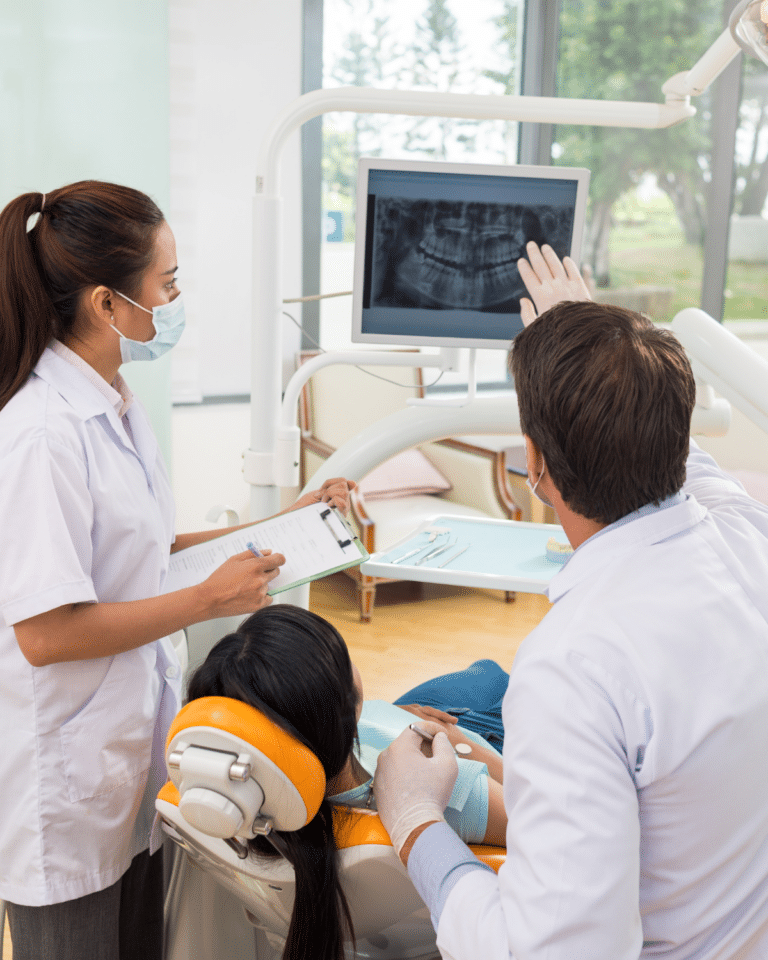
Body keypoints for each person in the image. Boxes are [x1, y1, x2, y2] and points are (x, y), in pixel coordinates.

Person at [374, 242, 768, 959]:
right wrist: (588, 333)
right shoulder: (746, 540)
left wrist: (414, 820)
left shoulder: (575, 665)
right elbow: (690, 465)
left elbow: (548, 951)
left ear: (536, 466)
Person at [0, 180, 353, 960]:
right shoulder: (40, 435)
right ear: (106, 304)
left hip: (131, 761)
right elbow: (46, 633)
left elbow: (141, 549)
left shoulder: (116, 402)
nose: (177, 299)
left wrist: (288, 517)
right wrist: (202, 601)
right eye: (168, 283)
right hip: (67, 786)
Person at [185, 604, 507, 960]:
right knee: (493, 676)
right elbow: (528, 816)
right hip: (465, 735)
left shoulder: (242, 795)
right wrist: (465, 745)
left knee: (476, 679)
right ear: (349, 702)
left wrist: (394, 716)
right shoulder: (441, 788)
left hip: (391, 723)